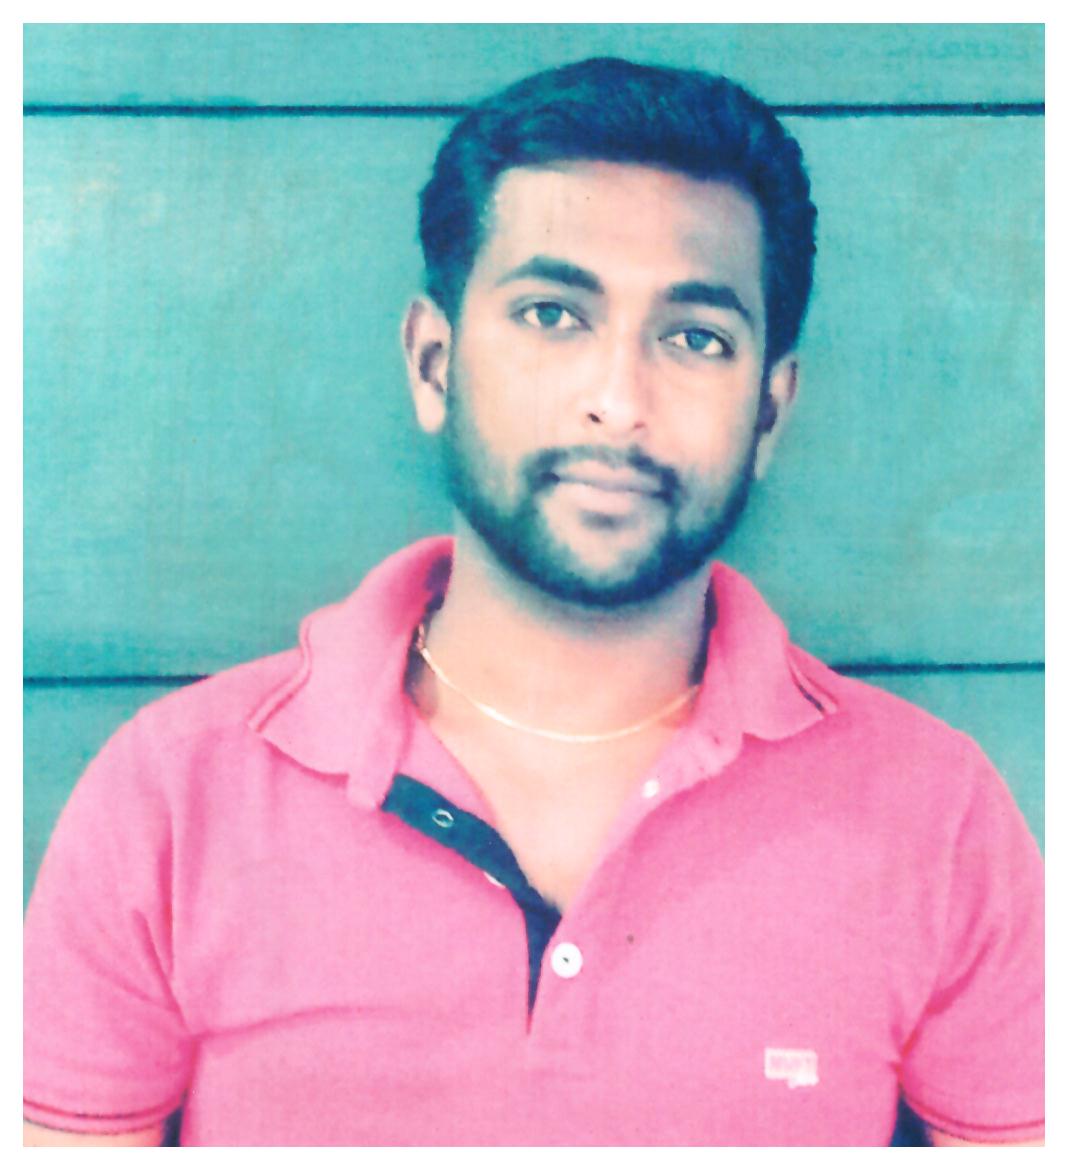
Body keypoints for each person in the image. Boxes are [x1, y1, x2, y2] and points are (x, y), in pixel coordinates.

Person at [23, 57, 1043, 1146]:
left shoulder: (938, 817)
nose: (618, 400)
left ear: (769, 414)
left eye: (695, 338)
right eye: (553, 315)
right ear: (434, 364)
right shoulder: (174, 794)